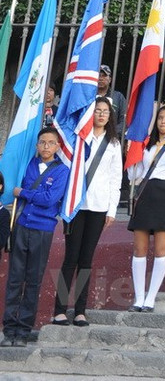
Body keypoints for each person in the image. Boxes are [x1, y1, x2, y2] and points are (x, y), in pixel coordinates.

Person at [53, 97, 123, 326]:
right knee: (70, 257)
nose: (101, 115)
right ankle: (60, 309)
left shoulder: (113, 144)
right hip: (75, 206)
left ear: (110, 116)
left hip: (99, 206)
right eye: (97, 111)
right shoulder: (79, 139)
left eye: (105, 112)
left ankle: (80, 310)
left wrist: (112, 209)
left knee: (86, 259)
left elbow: (116, 179)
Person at [1, 129, 70, 347]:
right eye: (43, 142)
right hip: (21, 226)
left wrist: (23, 193)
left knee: (32, 281)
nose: (46, 147)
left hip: (43, 230)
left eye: (51, 143)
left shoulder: (62, 171)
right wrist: (22, 192)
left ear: (58, 146)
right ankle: (9, 328)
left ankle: (23, 331)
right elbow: (13, 183)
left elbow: (49, 199)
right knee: (14, 279)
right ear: (37, 145)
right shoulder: (27, 165)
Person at [127, 102, 165, 312]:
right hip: (146, 194)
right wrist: (132, 154)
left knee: (161, 249)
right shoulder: (146, 144)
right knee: (139, 248)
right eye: (161, 117)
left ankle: (150, 298)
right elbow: (134, 176)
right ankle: (138, 297)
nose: (163, 121)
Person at [96, 65, 127, 132]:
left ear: (110, 79)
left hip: (112, 138)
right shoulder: (88, 96)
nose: (100, 78)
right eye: (98, 75)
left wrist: (111, 133)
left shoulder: (118, 97)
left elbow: (124, 121)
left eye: (104, 75)